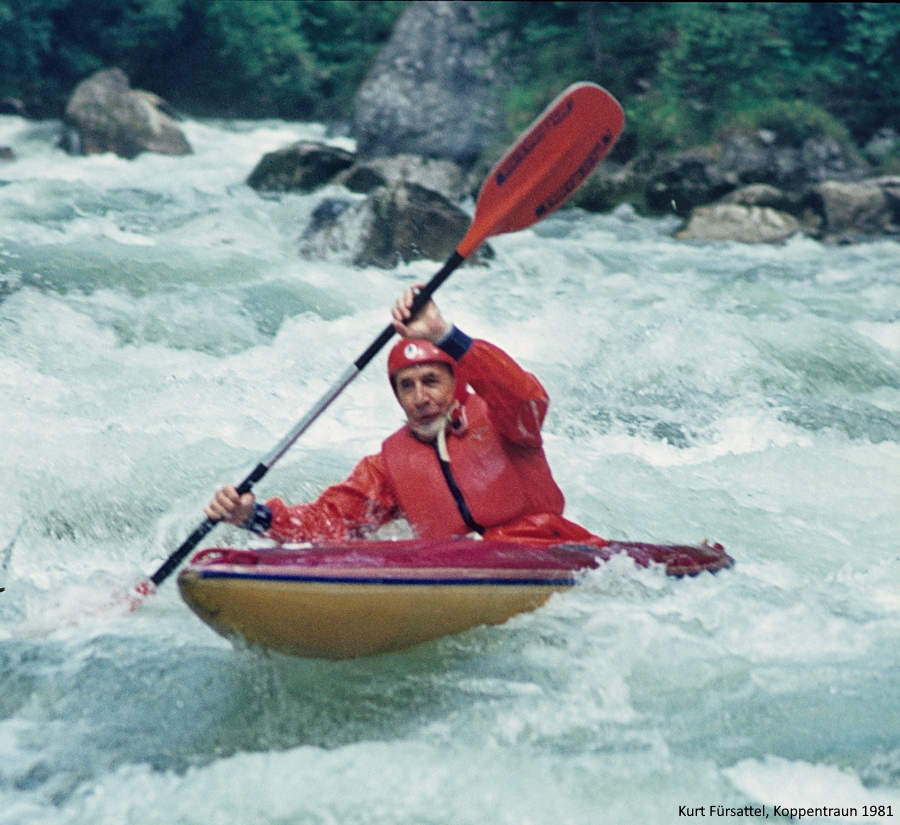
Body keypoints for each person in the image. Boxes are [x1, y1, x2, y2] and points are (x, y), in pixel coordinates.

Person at [205, 287, 608, 549]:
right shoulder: (388, 466)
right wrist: (253, 516)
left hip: (545, 550)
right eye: (407, 386)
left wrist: (442, 333)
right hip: (461, 568)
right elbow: (331, 523)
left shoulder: (507, 417)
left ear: (456, 382)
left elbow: (523, 393)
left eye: (431, 381)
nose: (420, 397)